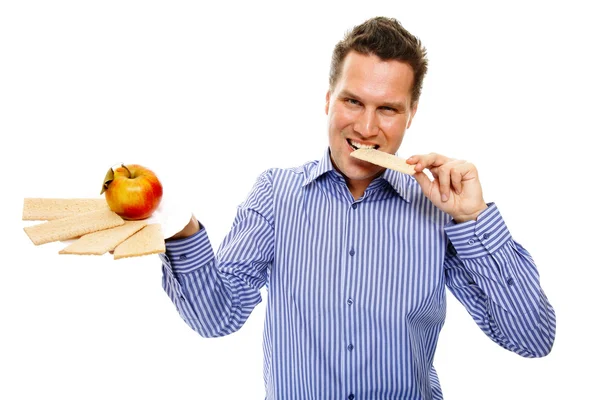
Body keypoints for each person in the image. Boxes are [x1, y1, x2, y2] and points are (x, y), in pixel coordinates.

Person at [159, 16, 556, 399]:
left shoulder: (439, 211)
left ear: (411, 115)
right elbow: (214, 319)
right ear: (329, 100)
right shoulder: (275, 194)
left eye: (387, 109)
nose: (366, 128)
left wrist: (473, 219)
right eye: (353, 101)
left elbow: (533, 339)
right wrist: (181, 228)